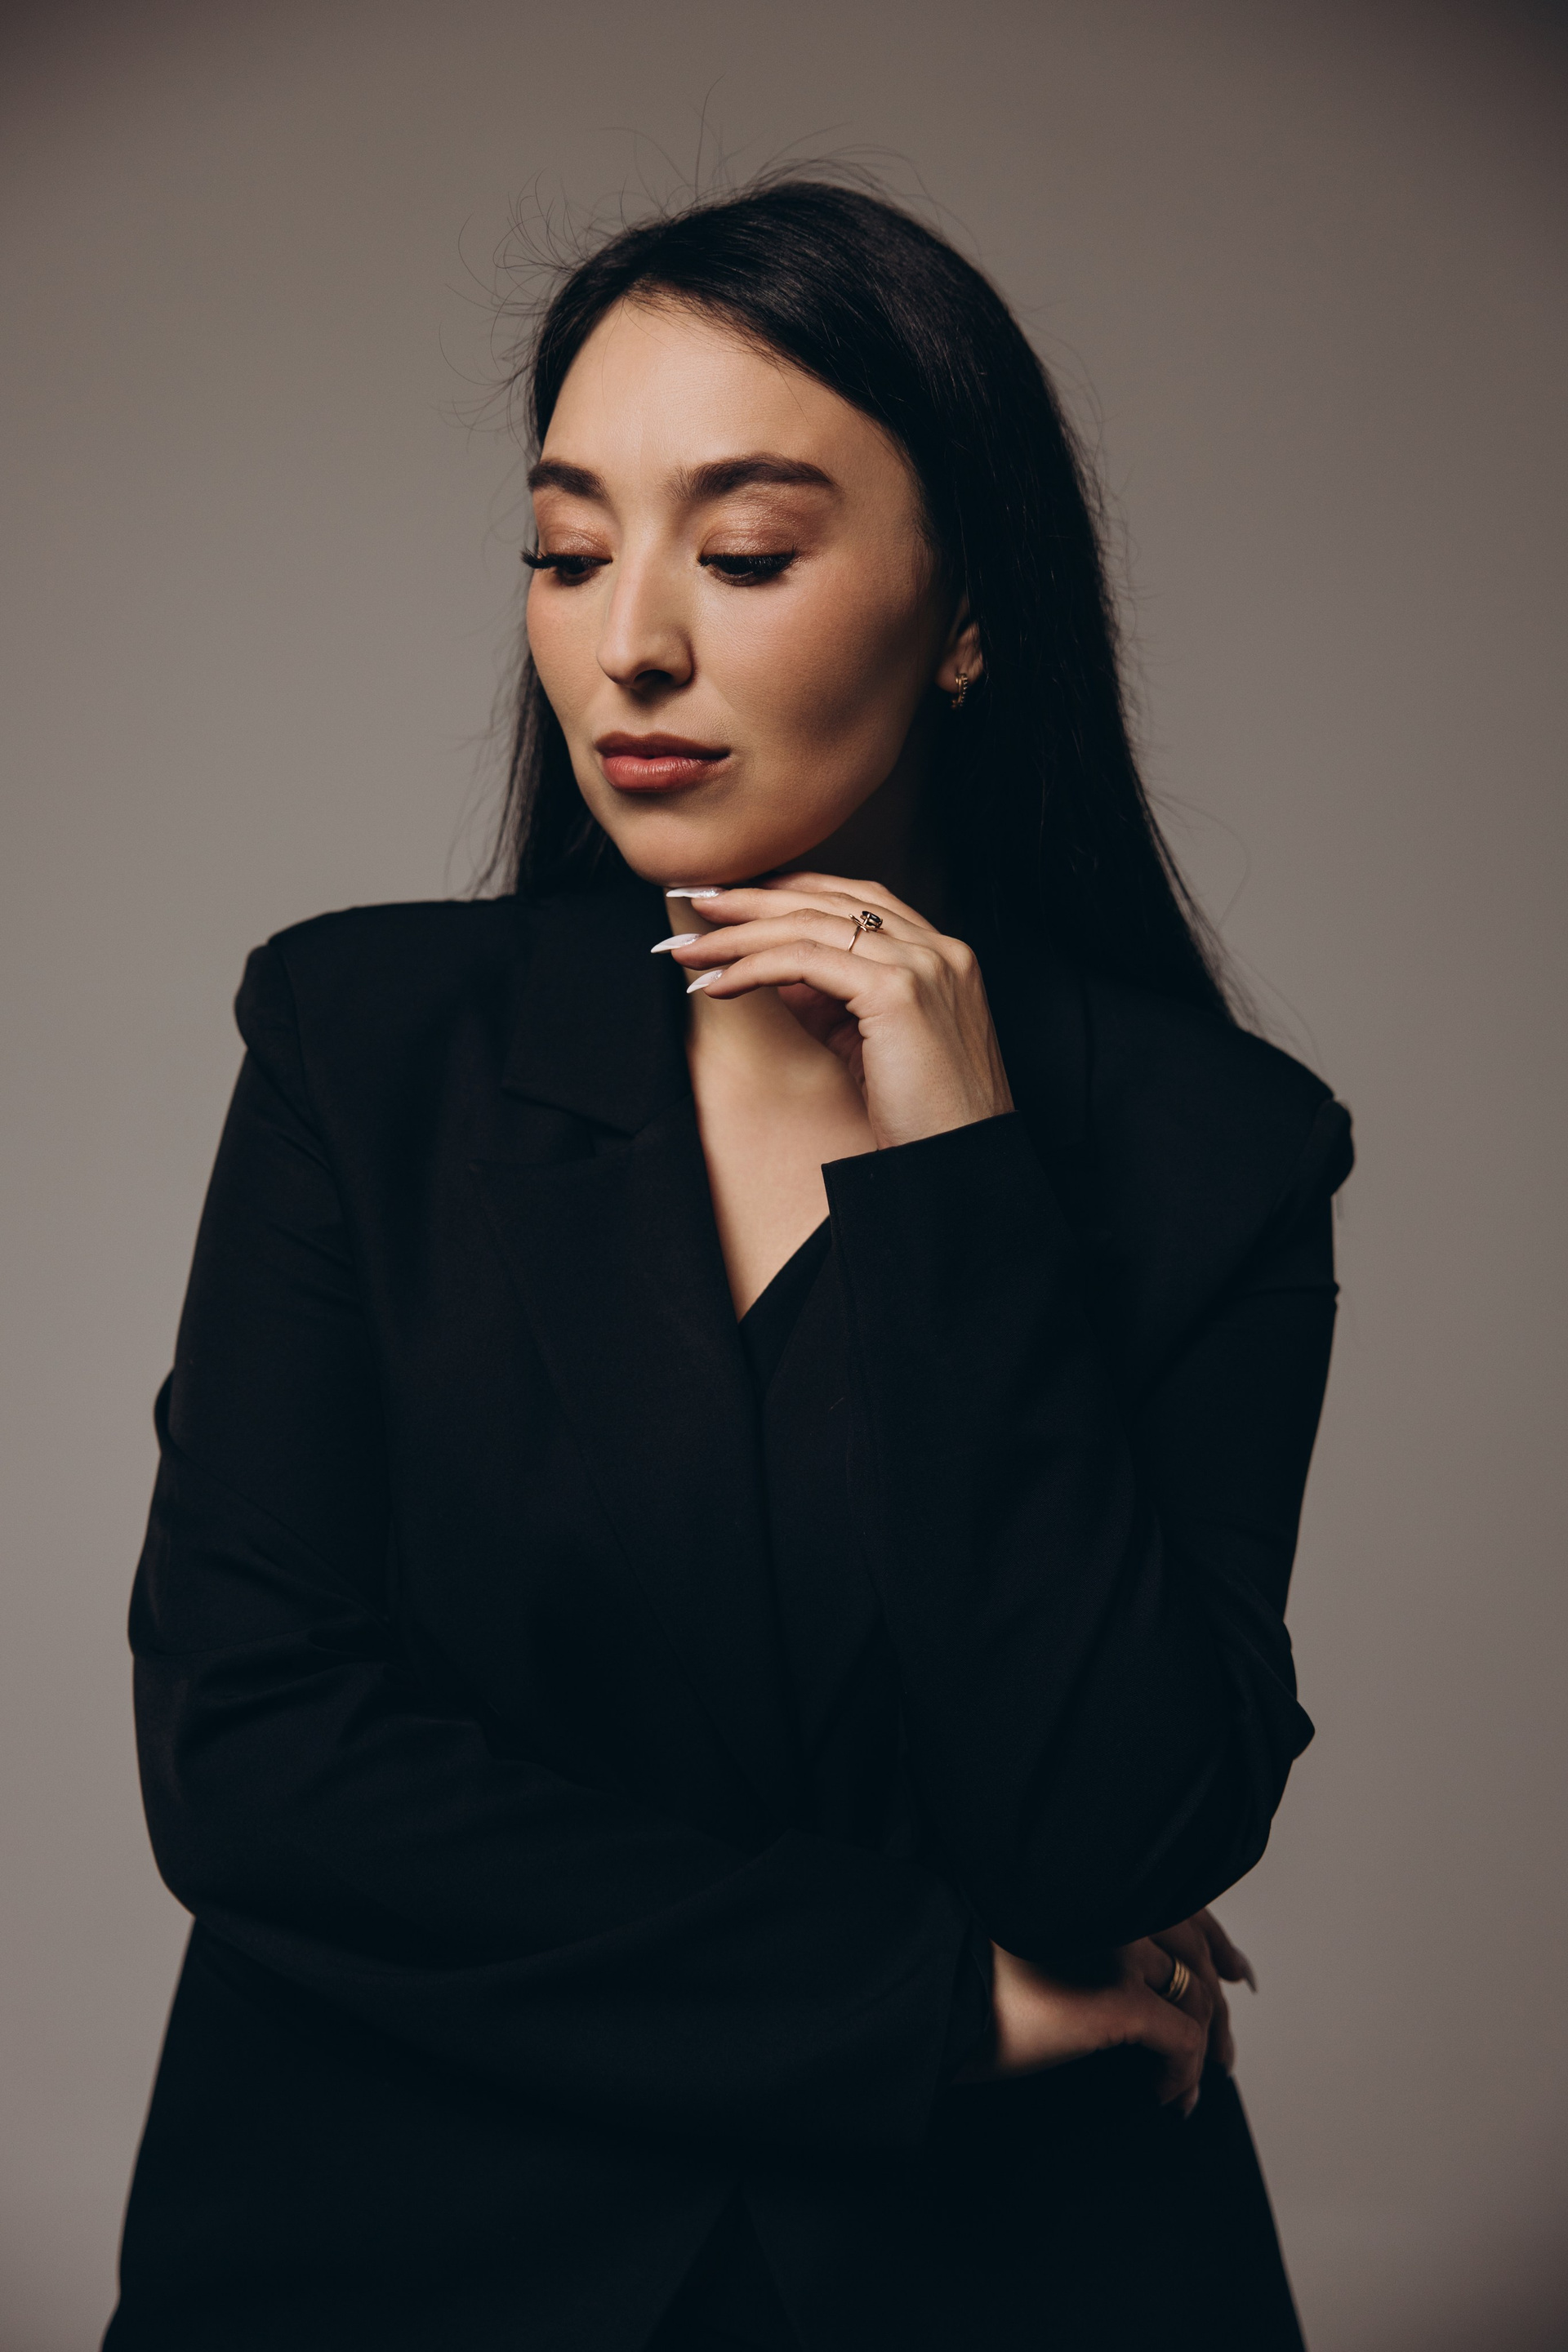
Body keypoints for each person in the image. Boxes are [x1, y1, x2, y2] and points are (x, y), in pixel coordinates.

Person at [105, 177, 1351, 2351]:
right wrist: (927, 1999)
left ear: (970, 614)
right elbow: (260, 1762)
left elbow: (1110, 1832)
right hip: (388, 2250)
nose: (632, 645)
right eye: (567, 551)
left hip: (1003, 2280)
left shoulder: (1212, 1149)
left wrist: (955, 1166)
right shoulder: (361, 1044)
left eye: (746, 552)